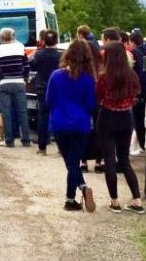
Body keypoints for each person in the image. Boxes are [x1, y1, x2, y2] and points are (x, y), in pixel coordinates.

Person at [47, 39, 98, 212]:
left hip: (60, 123)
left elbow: (48, 100)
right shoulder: (88, 79)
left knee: (71, 164)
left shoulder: (56, 75)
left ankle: (76, 194)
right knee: (74, 162)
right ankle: (71, 198)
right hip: (80, 124)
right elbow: (91, 105)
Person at [97, 41, 145, 214]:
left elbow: (99, 97)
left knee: (109, 160)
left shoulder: (104, 77)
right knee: (125, 161)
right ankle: (137, 200)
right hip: (126, 117)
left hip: (108, 117)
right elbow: (136, 94)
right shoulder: (132, 75)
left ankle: (115, 201)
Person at [0, 28, 31, 147]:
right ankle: (26, 140)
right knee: (22, 112)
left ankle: (9, 141)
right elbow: (26, 65)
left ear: (1, 38)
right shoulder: (20, 47)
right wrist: (24, 79)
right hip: (19, 82)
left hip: (3, 84)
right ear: (13, 36)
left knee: (6, 113)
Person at [77, 25, 104, 173]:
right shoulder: (99, 57)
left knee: (83, 126)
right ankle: (99, 161)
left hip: (83, 94)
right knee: (99, 127)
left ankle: (83, 161)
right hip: (97, 94)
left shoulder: (80, 62)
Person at [31, 29, 61, 155]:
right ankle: (60, 147)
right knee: (58, 116)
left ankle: (42, 147)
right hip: (58, 88)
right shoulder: (60, 55)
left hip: (42, 88)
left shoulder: (38, 54)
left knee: (42, 117)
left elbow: (33, 66)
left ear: (43, 41)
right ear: (56, 41)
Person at [129, 29, 146, 151]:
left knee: (138, 121)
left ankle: (143, 145)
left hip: (138, 92)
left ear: (132, 42)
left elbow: (134, 74)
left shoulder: (134, 53)